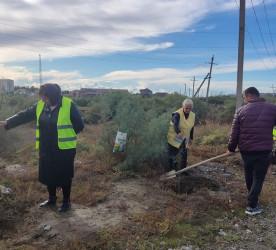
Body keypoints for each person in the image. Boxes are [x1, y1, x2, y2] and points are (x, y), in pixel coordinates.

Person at [0, 83, 84, 213]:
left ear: (54, 96)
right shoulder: (41, 105)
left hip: (64, 149)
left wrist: (67, 135)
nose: (43, 100)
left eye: (45, 98)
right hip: (46, 147)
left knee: (64, 175)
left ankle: (66, 201)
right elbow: (25, 115)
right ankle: (52, 199)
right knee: (48, 173)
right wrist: (7, 122)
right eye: (42, 97)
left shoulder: (68, 104)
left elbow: (79, 125)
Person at [227, 87, 276, 216]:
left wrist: (231, 148)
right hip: (264, 150)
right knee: (258, 178)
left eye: (244, 98)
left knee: (249, 174)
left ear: (249, 96)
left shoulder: (240, 111)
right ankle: (251, 204)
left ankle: (252, 201)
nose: (244, 101)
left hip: (246, 151)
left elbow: (234, 133)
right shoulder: (272, 108)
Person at [166, 98, 195, 174]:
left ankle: (183, 171)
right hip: (175, 136)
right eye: (186, 108)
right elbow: (175, 124)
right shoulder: (177, 114)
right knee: (173, 154)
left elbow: (192, 127)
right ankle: (171, 171)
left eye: (190, 108)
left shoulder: (192, 115)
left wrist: (191, 138)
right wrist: (178, 132)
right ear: (183, 106)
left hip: (185, 137)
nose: (188, 110)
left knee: (184, 154)